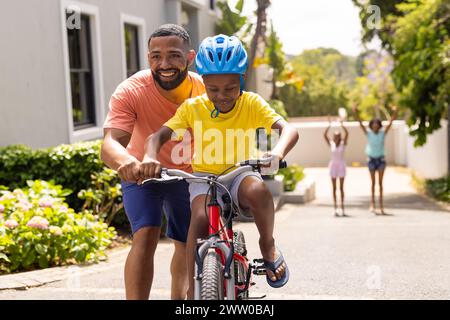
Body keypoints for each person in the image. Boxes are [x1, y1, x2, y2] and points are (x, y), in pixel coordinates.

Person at [139, 34, 299, 298]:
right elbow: (157, 136)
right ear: (203, 82)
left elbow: (288, 129)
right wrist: (150, 157)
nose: (222, 96)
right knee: (199, 220)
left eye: (230, 88)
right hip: (203, 178)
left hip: (239, 172)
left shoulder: (251, 103)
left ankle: (268, 245)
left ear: (241, 81)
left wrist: (277, 152)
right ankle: (192, 288)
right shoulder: (193, 107)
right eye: (213, 89)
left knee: (258, 191)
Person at [101, 24, 206, 300]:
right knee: (146, 236)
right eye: (156, 56)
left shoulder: (205, 91)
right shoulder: (132, 89)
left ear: (190, 57)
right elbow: (110, 142)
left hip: (187, 175)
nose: (165, 64)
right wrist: (125, 161)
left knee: (186, 243)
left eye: (173, 55)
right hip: (142, 174)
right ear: (148, 58)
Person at [353, 105, 398, 215]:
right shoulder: (368, 133)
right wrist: (355, 112)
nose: (375, 126)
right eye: (373, 124)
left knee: (380, 184)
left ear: (379, 125)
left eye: (377, 124)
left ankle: (381, 206)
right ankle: (372, 204)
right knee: (373, 183)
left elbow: (391, 122)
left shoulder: (383, 133)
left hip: (381, 160)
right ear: (371, 125)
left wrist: (395, 112)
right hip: (371, 160)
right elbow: (359, 123)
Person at [323, 116, 349, 217]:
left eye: (338, 136)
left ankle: (342, 208)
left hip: (341, 166)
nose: (336, 137)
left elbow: (347, 133)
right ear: (333, 137)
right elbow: (324, 135)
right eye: (335, 136)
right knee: (334, 188)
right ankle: (335, 208)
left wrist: (342, 125)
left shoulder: (343, 143)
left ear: (340, 137)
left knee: (341, 188)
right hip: (333, 166)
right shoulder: (331, 144)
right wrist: (329, 125)